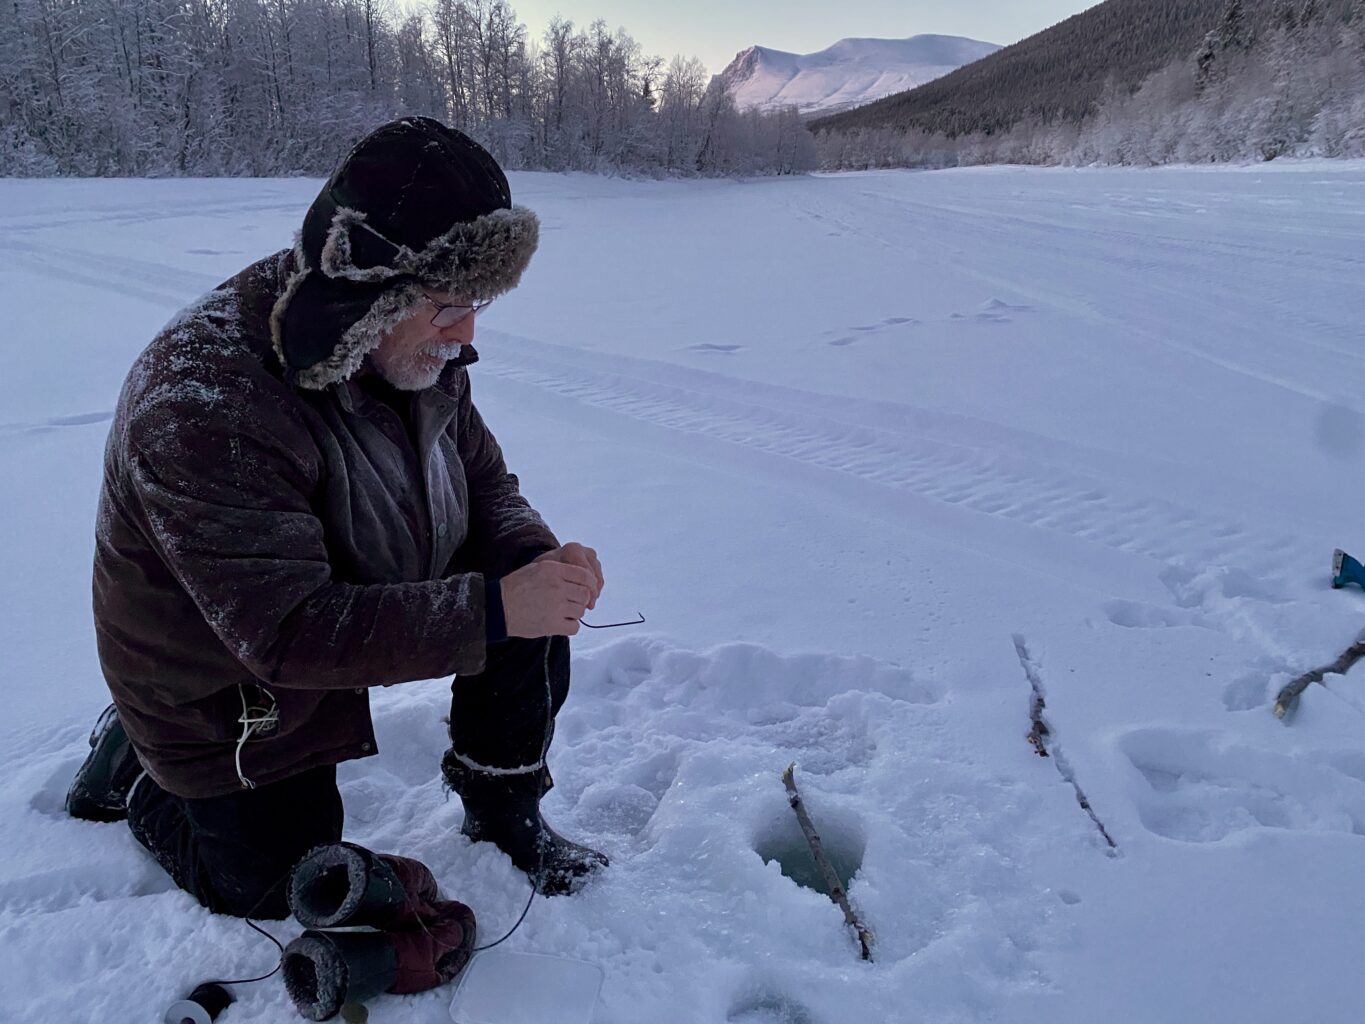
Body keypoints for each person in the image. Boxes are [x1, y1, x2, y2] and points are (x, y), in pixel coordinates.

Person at [65, 117, 610, 923]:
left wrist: (534, 561)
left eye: (476, 304)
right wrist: (495, 606)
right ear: (369, 291)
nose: (466, 336)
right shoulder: (204, 403)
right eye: (448, 307)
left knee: (528, 597)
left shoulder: (409, 345)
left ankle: (505, 812)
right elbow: (282, 633)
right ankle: (140, 769)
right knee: (271, 883)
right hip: (222, 680)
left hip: (337, 603)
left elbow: (484, 480)